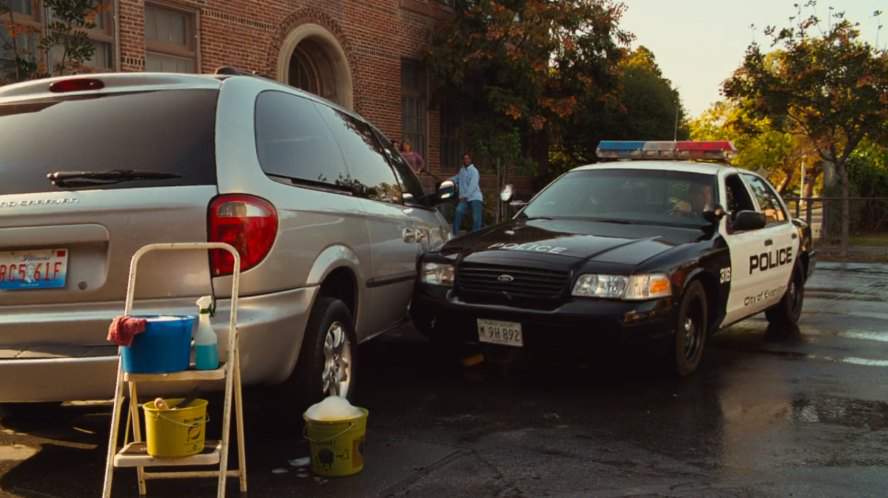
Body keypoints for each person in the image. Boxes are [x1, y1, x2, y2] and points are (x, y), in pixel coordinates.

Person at [451, 152, 483, 234]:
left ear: (471, 160)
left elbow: (472, 186)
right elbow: (457, 178)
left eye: (468, 158)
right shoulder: (462, 170)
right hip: (465, 198)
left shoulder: (474, 171)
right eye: (464, 158)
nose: (466, 160)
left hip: (475, 197)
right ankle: (455, 234)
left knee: (476, 218)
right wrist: (449, 180)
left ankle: (475, 236)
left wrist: (464, 196)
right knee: (458, 211)